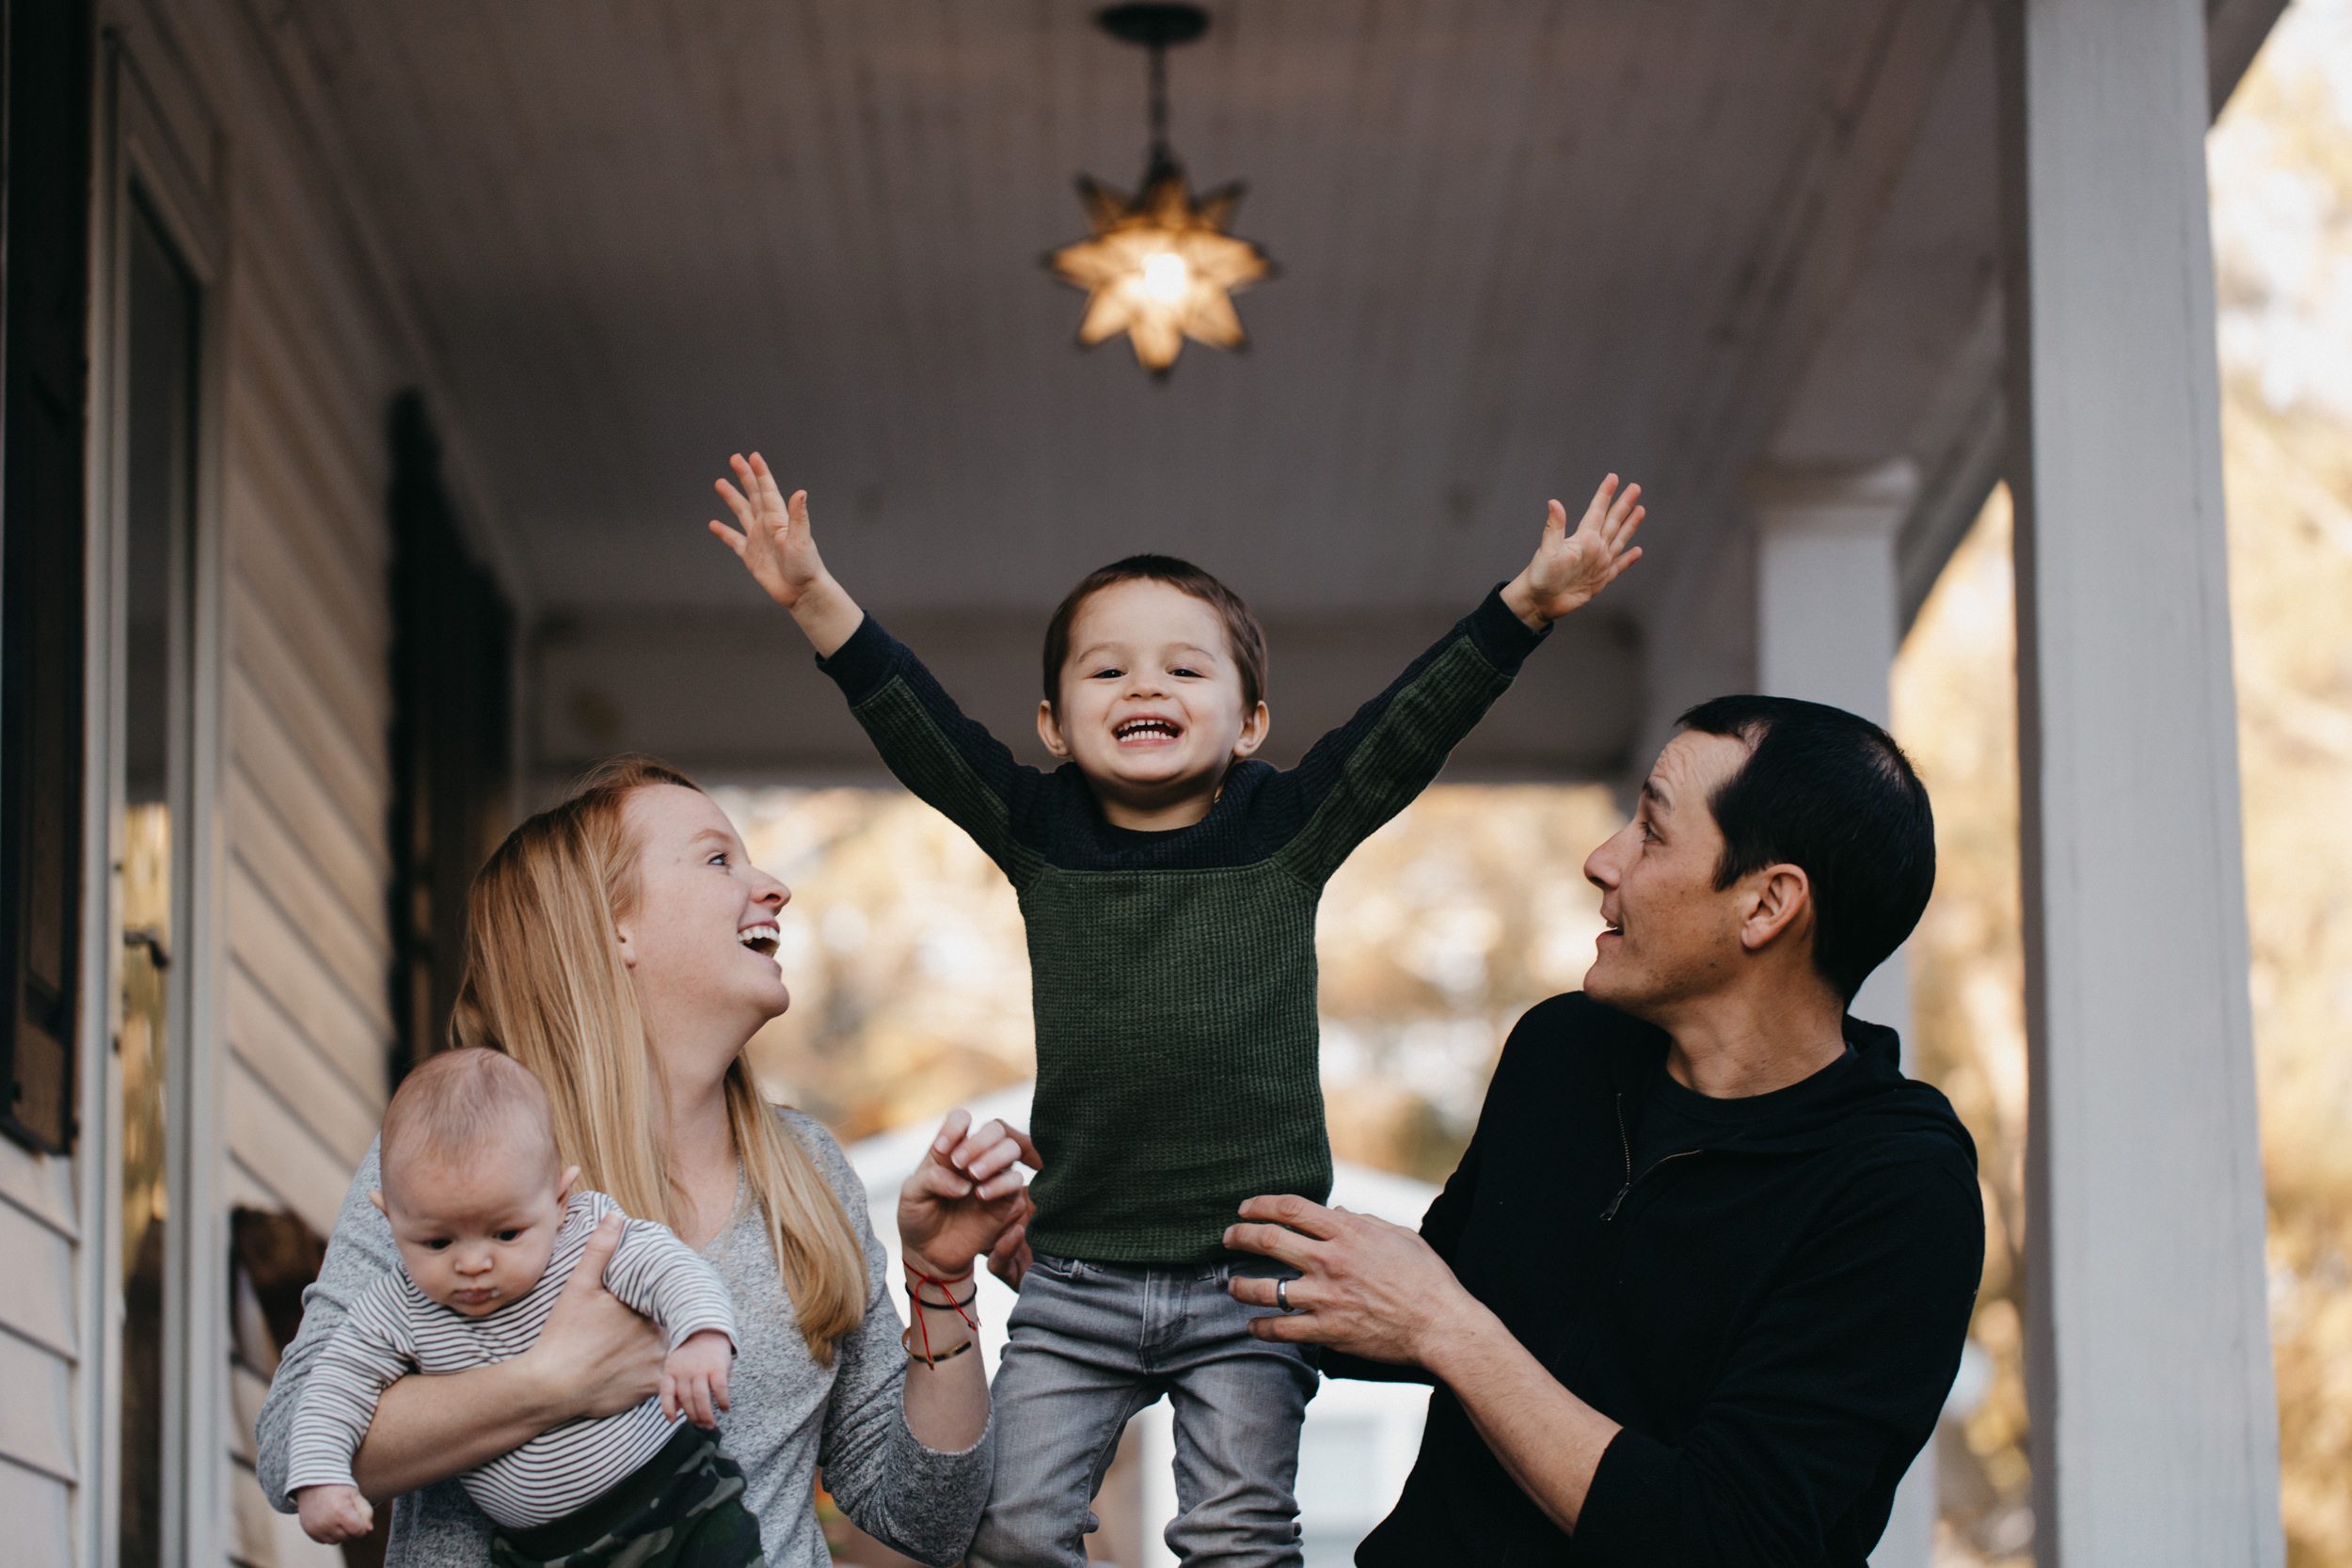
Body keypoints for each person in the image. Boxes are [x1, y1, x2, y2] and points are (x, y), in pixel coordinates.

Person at [706, 451, 1645, 1568]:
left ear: (1249, 722)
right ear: (1054, 725)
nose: (1143, 687)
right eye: (1106, 672)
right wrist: (813, 594)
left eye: (1182, 669)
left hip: (1249, 1274)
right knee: (1010, 1528)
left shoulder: (1287, 830)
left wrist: (1529, 601)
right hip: (1073, 1279)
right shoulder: (1036, 831)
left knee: (1236, 1534)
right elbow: (919, 728)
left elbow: (1407, 727)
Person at [1224, 695, 1986, 1566]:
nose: (1602, 860)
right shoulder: (1564, 1050)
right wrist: (1103, 1259)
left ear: (1767, 904)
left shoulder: (1898, 1192)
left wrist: (1450, 1329)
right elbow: (1404, 1302)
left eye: (1652, 832)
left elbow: (1725, 1539)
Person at [257, 757, 1034, 1567]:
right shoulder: (461, 1163)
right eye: (717, 858)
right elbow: (292, 1447)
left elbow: (924, 1519)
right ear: (610, 926)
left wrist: (940, 1281)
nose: (774, 885)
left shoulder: (807, 1171)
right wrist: (551, 1381)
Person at [284, 1048, 750, 1563]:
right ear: (389, 1218)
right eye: (438, 1243)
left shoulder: (585, 1235)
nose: (474, 1262)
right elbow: (332, 1388)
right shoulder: (397, 1307)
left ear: (558, 1200)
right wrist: (320, 1479)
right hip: (545, 1553)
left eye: (506, 1233)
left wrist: (700, 1336)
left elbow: (671, 1268)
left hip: (680, 1497)